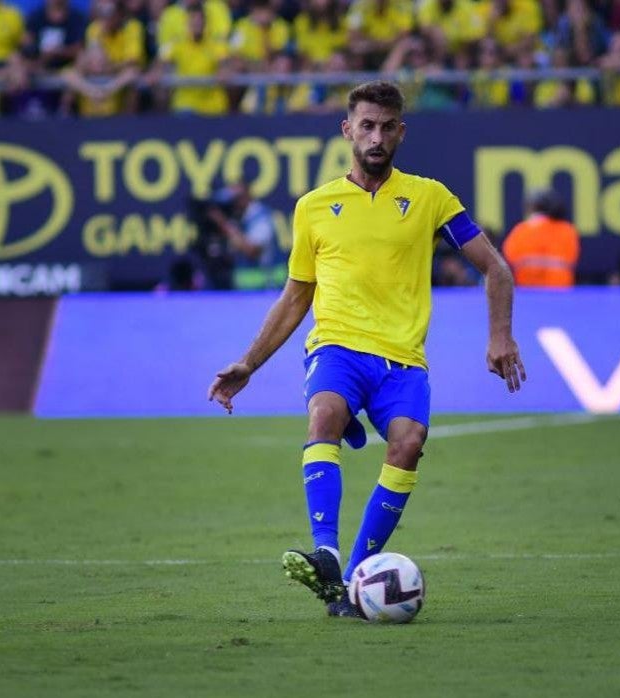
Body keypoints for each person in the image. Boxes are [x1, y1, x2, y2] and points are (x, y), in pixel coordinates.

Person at [207, 82, 525, 618]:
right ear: (348, 130)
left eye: (387, 126)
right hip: (338, 347)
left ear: (401, 131)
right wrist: (250, 362)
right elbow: (296, 293)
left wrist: (500, 335)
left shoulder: (430, 197)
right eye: (367, 126)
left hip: (402, 358)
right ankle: (326, 552)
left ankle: (353, 583)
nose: (376, 137)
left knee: (408, 443)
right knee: (325, 413)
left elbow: (495, 266)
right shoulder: (314, 207)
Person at [502, 190, 581, 288]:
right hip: (561, 292)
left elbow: (509, 258)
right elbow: (573, 258)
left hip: (529, 292)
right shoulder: (568, 230)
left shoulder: (521, 230)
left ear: (530, 208)